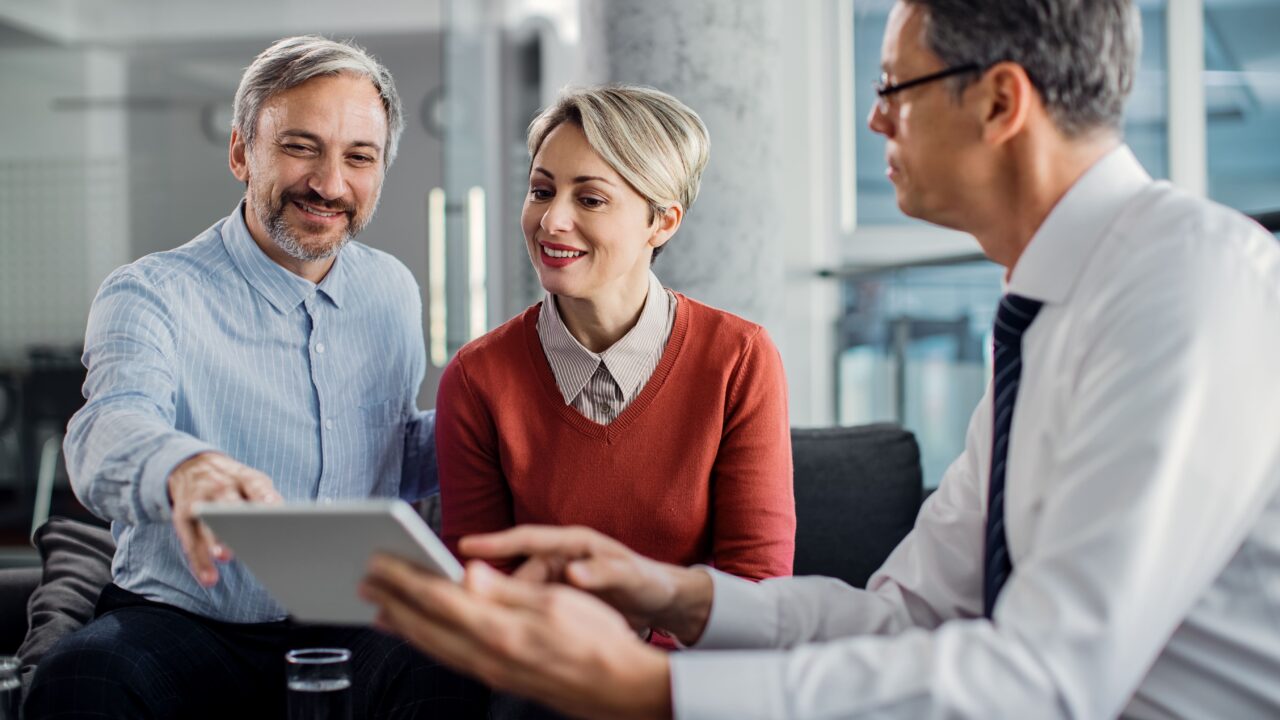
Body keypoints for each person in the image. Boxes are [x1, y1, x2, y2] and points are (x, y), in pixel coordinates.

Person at [360, 1, 1280, 718]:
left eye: (896, 87)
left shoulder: (1184, 280)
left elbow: (1045, 678)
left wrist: (654, 690)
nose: (876, 120)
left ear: (1001, 102)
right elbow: (905, 616)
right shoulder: (1046, 314)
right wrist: (673, 593)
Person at [26, 36, 486, 719]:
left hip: (356, 618)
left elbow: (386, 451)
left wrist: (504, 427)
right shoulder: (151, 292)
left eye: (359, 157)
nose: (330, 184)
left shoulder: (392, 289)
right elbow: (106, 428)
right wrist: (183, 468)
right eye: (301, 147)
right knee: (80, 678)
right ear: (242, 152)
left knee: (460, 670)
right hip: (185, 619)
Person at [436, 86, 795, 599]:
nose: (551, 221)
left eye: (590, 199)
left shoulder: (739, 359)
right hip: (538, 650)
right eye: (541, 191)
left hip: (695, 654)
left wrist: (640, 642)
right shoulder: (477, 379)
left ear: (662, 222)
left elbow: (758, 590)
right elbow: (482, 590)